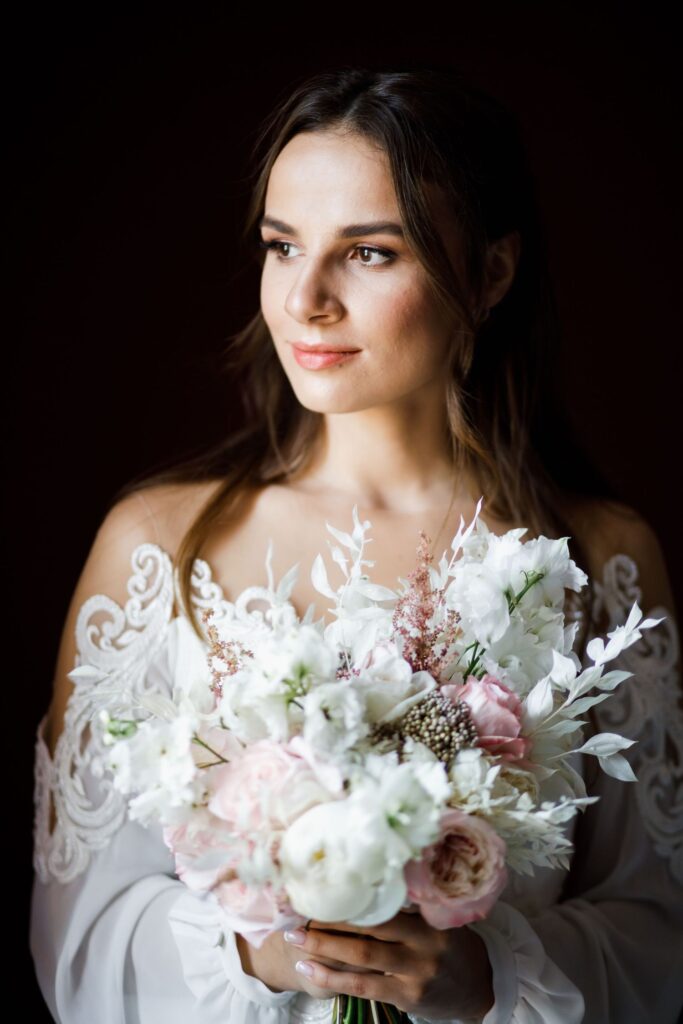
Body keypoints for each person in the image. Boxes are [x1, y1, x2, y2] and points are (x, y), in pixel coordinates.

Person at [30, 65, 683, 1024]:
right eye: (282, 246)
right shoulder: (157, 546)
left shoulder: (598, 557)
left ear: (491, 272)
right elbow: (76, 932)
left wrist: (488, 979)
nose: (305, 301)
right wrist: (257, 958)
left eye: (369, 253)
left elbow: (659, 929)